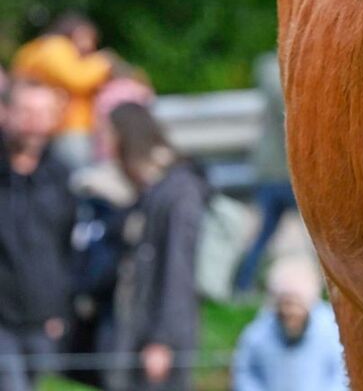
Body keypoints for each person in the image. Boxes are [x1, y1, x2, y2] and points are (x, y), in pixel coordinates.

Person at [102, 103, 207, 391]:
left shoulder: (179, 190)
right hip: (141, 330)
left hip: (161, 340)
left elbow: (178, 268)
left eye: (108, 137)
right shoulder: (154, 189)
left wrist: (163, 340)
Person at [0, 80, 76, 391]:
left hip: (44, 317)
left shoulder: (61, 175)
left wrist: (60, 309)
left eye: (44, 113)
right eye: (27, 112)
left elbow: (69, 247)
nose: (35, 122)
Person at [231, 256, 349, 391]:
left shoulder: (333, 332)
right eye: (284, 304)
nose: (290, 312)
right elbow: (245, 373)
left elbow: (342, 375)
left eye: (295, 304)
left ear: (309, 304)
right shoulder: (258, 333)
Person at [11, 13, 112, 170]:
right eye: (86, 37)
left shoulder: (36, 48)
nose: (90, 45)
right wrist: (103, 63)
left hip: (54, 126)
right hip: (70, 127)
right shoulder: (56, 46)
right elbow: (77, 79)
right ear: (73, 32)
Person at [233, 52, 296, 294]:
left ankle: (243, 284)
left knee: (265, 233)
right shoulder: (275, 66)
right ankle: (244, 283)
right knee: (324, 232)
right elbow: (285, 104)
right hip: (280, 171)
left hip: (273, 169)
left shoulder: (271, 65)